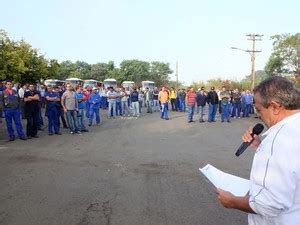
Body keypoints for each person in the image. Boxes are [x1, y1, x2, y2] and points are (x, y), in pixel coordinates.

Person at [217, 76, 300, 225]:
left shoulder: (279, 140)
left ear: (275, 107)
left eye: (259, 109)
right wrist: (261, 145)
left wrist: (232, 201)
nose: (258, 115)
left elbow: (269, 205)